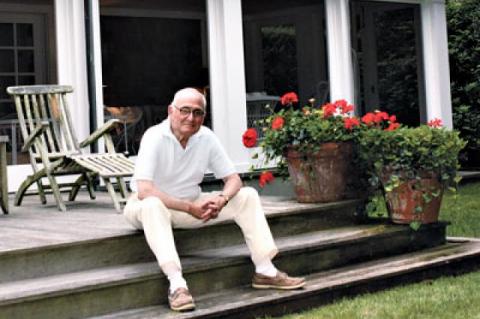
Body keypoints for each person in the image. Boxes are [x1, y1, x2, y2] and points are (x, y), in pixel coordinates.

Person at [123, 88, 305, 312]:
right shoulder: (154, 136)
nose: (191, 118)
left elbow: (233, 179)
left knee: (247, 195)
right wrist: (190, 207)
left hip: (190, 204)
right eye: (185, 111)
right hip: (147, 208)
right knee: (152, 204)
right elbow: (145, 190)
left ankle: (265, 270)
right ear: (171, 111)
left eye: (198, 113)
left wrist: (222, 199)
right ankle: (177, 285)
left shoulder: (206, 137)